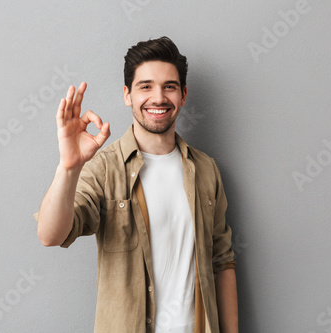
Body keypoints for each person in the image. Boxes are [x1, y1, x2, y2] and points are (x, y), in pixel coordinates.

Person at [34, 36, 238, 333]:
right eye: (146, 86)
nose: (158, 98)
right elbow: (50, 235)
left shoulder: (206, 169)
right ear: (127, 95)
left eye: (169, 86)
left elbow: (222, 261)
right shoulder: (105, 168)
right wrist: (69, 166)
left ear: (183, 94)